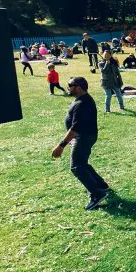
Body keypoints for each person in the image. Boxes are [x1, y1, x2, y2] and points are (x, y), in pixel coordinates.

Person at [51, 77, 110, 211]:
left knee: (76, 166)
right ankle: (101, 185)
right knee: (82, 163)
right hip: (84, 136)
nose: (68, 88)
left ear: (78, 87)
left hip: (83, 137)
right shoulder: (83, 100)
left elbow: (75, 128)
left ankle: (97, 194)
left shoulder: (82, 104)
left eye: (70, 85)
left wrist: (61, 145)